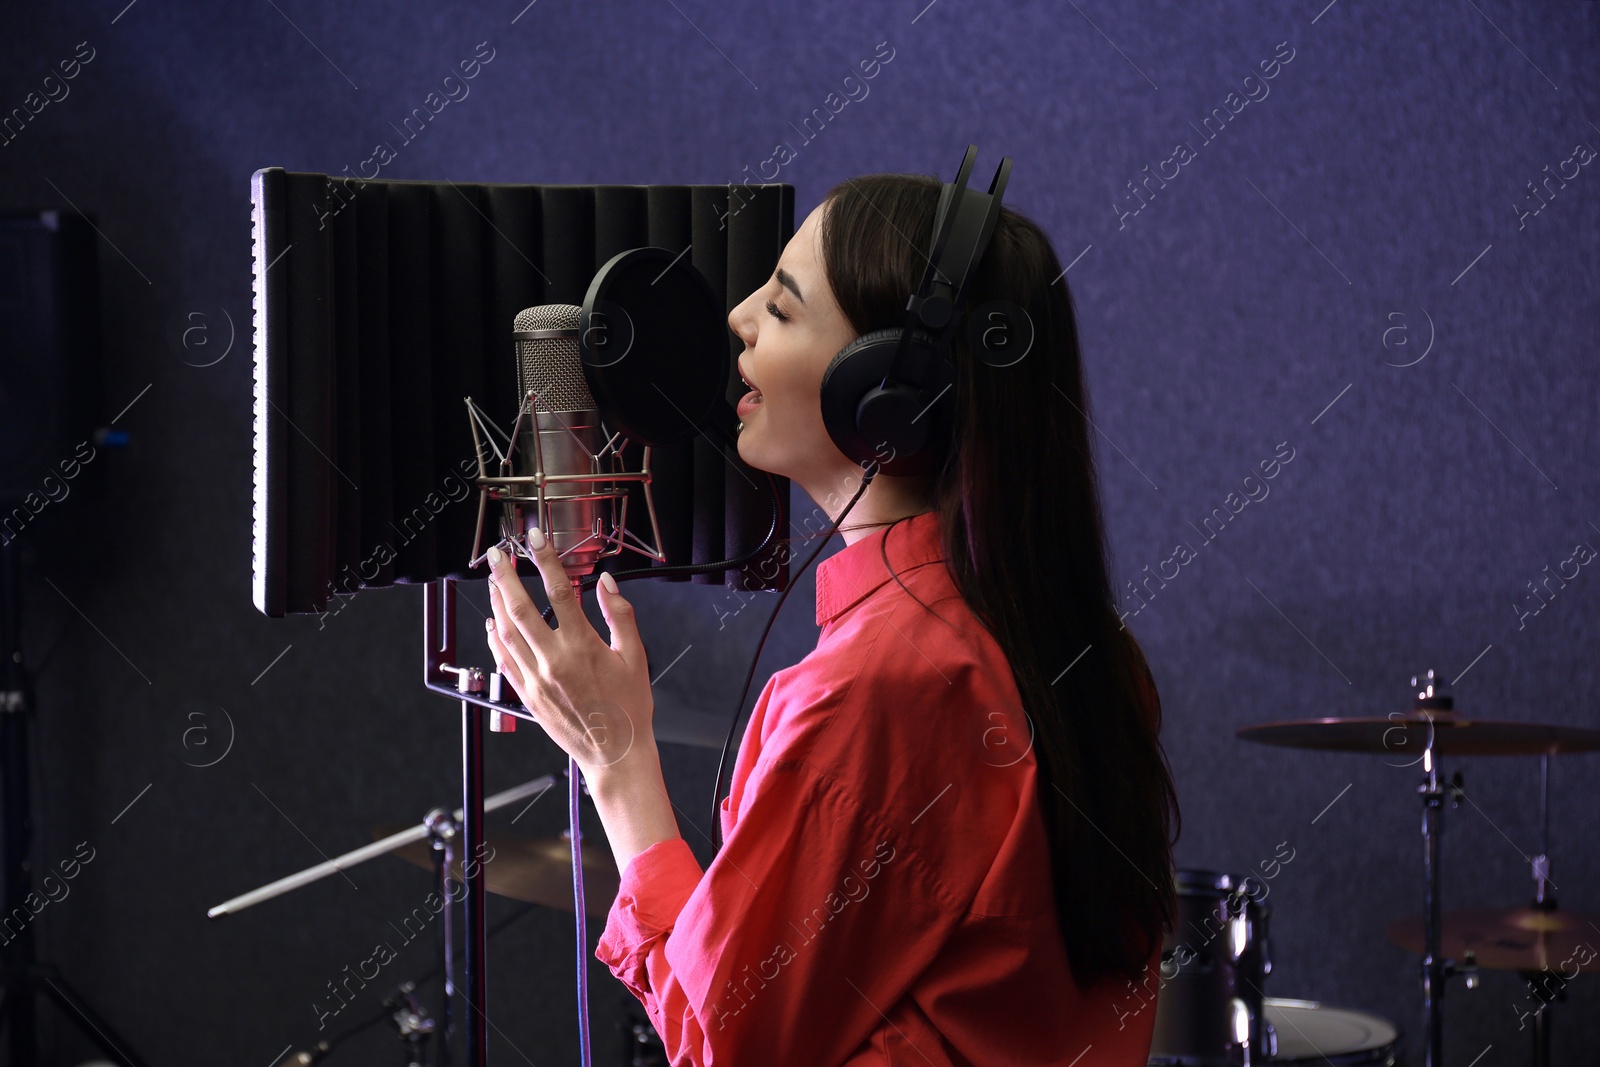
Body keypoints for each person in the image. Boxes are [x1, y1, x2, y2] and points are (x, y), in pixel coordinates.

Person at [482, 171, 1181, 1065]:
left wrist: (617, 761)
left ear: (882, 391)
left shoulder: (877, 693)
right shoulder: (1090, 652)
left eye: (779, 307)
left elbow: (729, 1046)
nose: (735, 316)